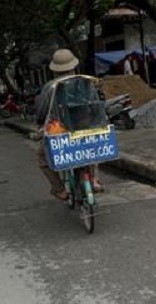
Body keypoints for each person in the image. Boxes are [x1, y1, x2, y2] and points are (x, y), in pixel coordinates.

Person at [35, 49, 102, 200]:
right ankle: (94, 179)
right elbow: (95, 106)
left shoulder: (50, 87)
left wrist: (40, 123)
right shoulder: (86, 83)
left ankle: (60, 190)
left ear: (55, 70)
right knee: (93, 149)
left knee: (42, 158)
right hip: (85, 129)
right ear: (73, 66)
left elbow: (41, 112)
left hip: (60, 132)